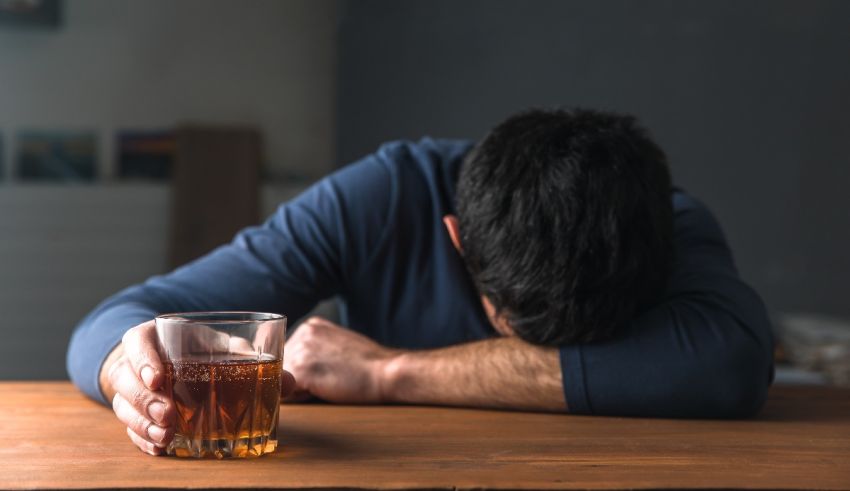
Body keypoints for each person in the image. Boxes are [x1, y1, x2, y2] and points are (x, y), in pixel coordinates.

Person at [67, 108, 774, 455]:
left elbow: (734, 360)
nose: (541, 348)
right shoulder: (382, 196)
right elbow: (121, 317)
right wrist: (127, 366)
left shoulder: (666, 218)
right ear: (456, 236)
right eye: (515, 323)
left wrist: (388, 373)